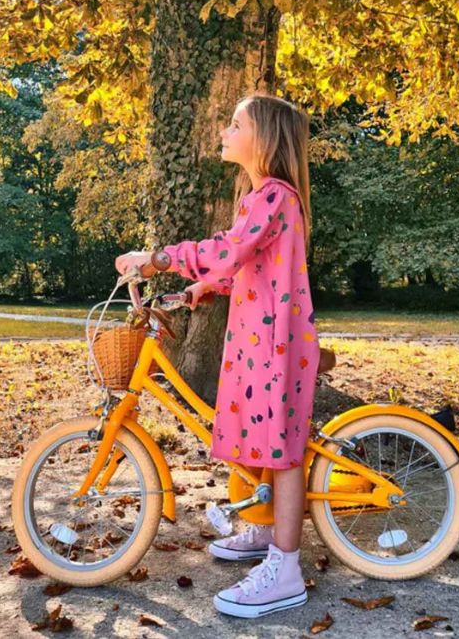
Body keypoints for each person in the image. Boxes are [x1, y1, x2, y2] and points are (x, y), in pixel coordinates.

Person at [115, 93, 320, 619]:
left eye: (235, 124)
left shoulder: (274, 196)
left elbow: (229, 249)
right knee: (258, 438)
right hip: (258, 342)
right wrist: (199, 289)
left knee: (285, 452)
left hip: (277, 345)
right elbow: (246, 265)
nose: (225, 132)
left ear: (265, 139)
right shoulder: (261, 199)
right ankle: (264, 530)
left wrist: (159, 258)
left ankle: (287, 568)